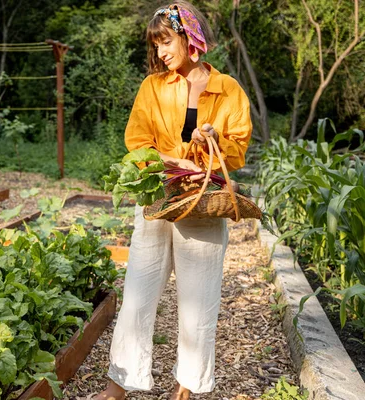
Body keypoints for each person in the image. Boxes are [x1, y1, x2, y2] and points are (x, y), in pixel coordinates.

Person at [95, 2, 252, 400]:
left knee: (198, 307)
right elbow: (136, 144)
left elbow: (237, 151)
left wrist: (213, 140)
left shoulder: (228, 88)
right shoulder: (152, 87)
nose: (161, 52)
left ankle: (187, 389)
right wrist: (176, 159)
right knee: (137, 297)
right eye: (157, 44)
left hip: (202, 206)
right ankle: (117, 388)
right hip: (157, 201)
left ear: (188, 35)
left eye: (166, 41)